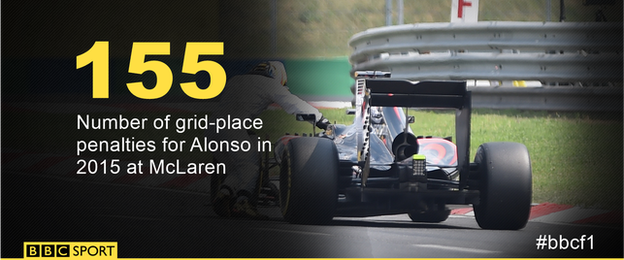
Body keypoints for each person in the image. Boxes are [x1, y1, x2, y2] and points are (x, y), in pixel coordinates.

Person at [209, 61, 331, 219]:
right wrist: (321, 120)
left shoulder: (235, 80)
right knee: (250, 167)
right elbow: (293, 104)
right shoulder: (269, 84)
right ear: (277, 76)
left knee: (236, 169)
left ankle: (223, 193)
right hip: (233, 129)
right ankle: (243, 203)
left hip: (212, 130)